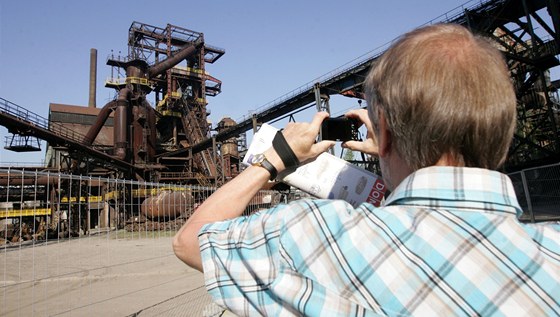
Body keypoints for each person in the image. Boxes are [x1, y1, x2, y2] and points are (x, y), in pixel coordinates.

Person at [173, 23, 560, 316]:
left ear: (385, 132)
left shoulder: (320, 232)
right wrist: (397, 152)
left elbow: (190, 241)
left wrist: (274, 159)